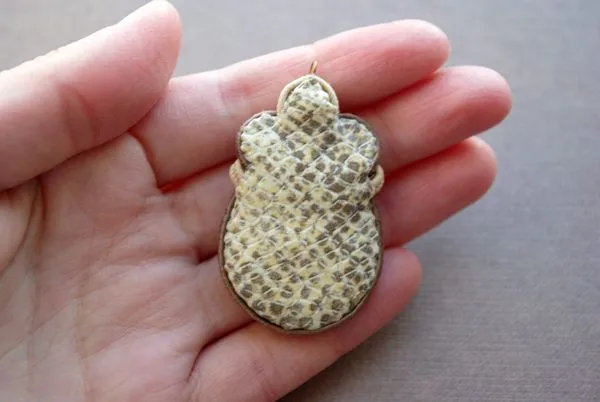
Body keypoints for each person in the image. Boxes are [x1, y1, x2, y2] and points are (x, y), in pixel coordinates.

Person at [0, 1, 511, 400]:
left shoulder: (279, 145)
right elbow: (359, 183)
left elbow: (259, 179)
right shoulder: (339, 148)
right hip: (306, 258)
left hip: (284, 252)